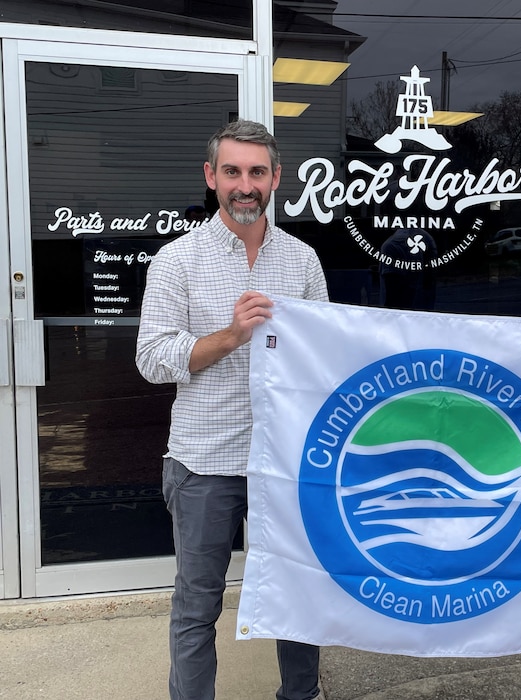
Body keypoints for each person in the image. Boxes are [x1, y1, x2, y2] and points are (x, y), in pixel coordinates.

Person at [136, 119, 328, 700]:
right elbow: (150, 357)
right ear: (211, 176)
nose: (245, 185)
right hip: (204, 461)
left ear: (275, 179)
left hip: (286, 462)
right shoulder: (177, 260)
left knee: (298, 594)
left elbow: (325, 354)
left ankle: (302, 694)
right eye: (233, 172)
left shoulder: (301, 260)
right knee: (197, 603)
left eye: (257, 172)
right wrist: (231, 336)